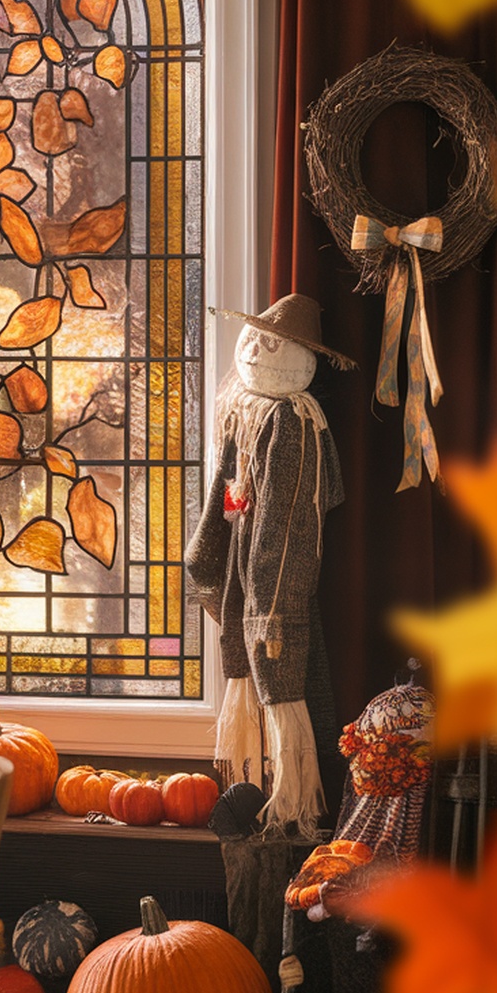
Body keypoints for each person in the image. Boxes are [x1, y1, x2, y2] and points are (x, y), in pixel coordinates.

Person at [186, 294, 355, 836]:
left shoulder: (294, 426)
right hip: (249, 584)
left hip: (275, 601)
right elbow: (224, 502)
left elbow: (287, 535)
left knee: (290, 680)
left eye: (273, 340)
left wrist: (270, 615)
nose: (257, 346)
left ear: (304, 357)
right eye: (253, 334)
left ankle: (291, 810)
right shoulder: (245, 408)